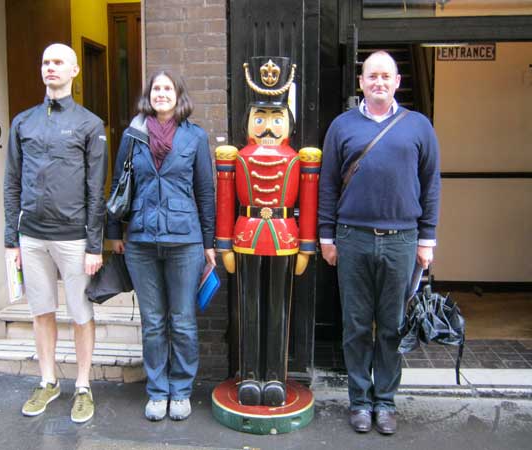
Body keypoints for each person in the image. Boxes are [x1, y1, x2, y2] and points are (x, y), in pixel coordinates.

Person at [318, 51, 440, 435]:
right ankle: (359, 401)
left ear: (397, 82)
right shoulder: (342, 126)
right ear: (361, 82)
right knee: (355, 325)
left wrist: (427, 238)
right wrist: (326, 234)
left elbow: (431, 183)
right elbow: (327, 184)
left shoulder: (419, 127)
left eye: (386, 76)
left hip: (402, 240)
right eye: (372, 76)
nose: (379, 83)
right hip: (352, 237)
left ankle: (385, 402)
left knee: (391, 325)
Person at [3, 43, 107, 423]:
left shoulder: (89, 124)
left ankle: (82, 385)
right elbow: (11, 181)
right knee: (41, 312)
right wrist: (10, 240)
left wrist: (95, 245)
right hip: (31, 237)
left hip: (74, 238)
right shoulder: (23, 122)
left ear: (75, 71)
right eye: (45, 61)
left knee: (81, 313)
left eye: (59, 62)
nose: (50, 68)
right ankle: (48, 381)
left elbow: (97, 191)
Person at [106, 70, 216, 422]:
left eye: (168, 88)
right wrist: (113, 233)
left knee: (182, 320)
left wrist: (210, 243)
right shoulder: (132, 135)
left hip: (185, 241)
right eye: (157, 88)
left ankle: (181, 390)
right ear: (148, 95)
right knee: (153, 322)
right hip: (140, 239)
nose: (162, 93)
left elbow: (205, 191)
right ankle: (157, 391)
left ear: (179, 95)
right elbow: (118, 184)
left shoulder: (195, 137)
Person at [215, 56, 321, 407]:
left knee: (279, 308)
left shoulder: (300, 158)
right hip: (246, 236)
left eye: (276, 119)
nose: (268, 128)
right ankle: (248, 375)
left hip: (283, 236)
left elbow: (307, 202)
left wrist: (306, 246)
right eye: (260, 118)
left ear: (287, 120)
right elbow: (225, 201)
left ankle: (275, 376)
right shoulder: (235, 156)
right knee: (248, 308)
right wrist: (224, 244)